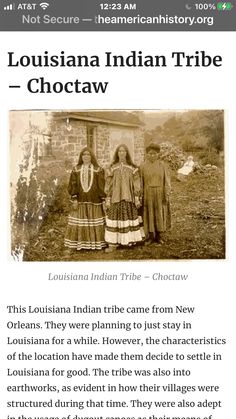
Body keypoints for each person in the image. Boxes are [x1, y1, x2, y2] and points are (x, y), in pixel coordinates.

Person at [64, 147, 106, 251]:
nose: (86, 156)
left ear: (92, 157)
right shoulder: (76, 169)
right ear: (81, 156)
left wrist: (103, 199)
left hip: (94, 201)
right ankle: (80, 243)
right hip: (80, 201)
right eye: (84, 154)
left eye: (88, 154)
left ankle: (95, 244)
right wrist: (74, 199)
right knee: (79, 221)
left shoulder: (98, 169)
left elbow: (102, 186)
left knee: (94, 221)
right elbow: (73, 184)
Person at [104, 144, 144, 252]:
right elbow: (108, 183)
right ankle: (113, 244)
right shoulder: (112, 168)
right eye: (119, 151)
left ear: (127, 153)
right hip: (115, 198)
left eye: (124, 151)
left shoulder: (133, 168)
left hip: (128, 197)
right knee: (114, 220)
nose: (122, 153)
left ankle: (128, 241)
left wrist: (136, 197)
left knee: (128, 218)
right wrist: (107, 197)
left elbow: (137, 183)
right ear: (117, 153)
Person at [140, 143, 171, 245]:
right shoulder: (143, 166)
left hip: (160, 193)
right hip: (147, 193)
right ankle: (150, 236)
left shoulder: (162, 166)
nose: (152, 155)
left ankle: (158, 236)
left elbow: (167, 181)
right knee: (149, 214)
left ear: (158, 154)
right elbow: (141, 182)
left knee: (159, 213)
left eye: (154, 153)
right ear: (146, 154)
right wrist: (140, 195)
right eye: (149, 154)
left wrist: (166, 193)